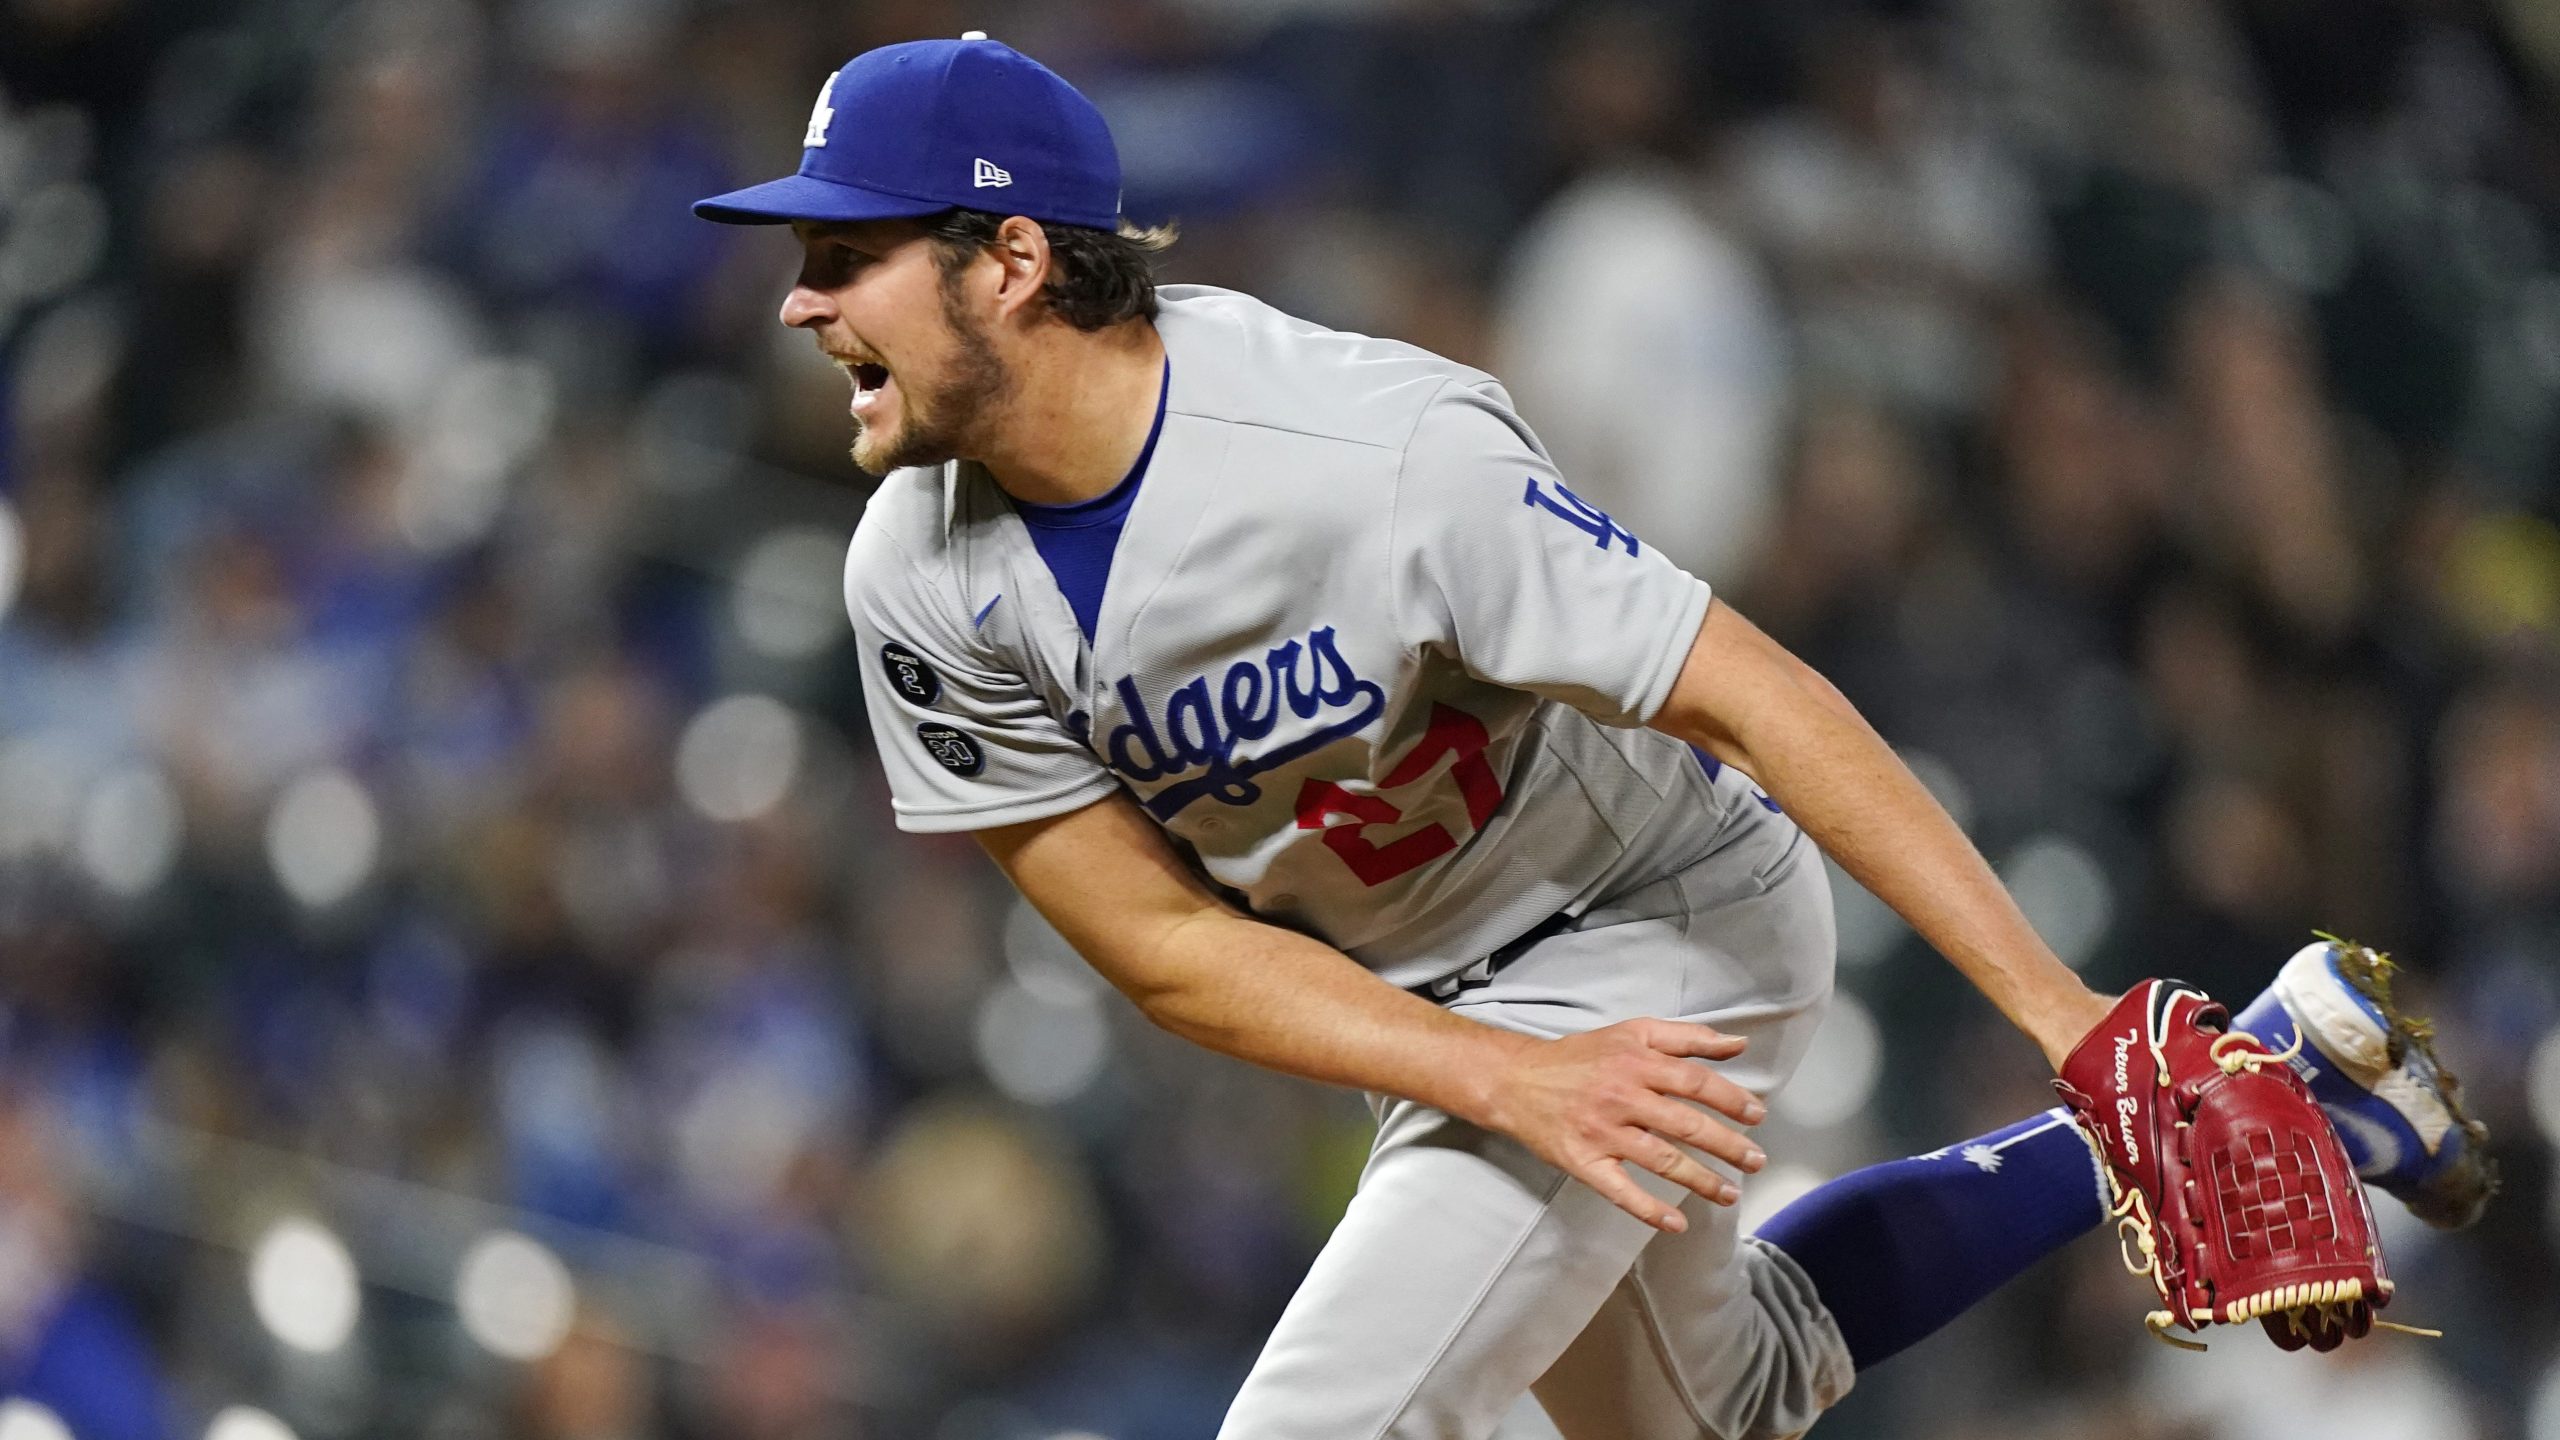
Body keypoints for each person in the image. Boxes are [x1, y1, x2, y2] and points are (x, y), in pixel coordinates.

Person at [693, 35, 2492, 1440]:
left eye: (846, 253)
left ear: (1011, 260)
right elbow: (1161, 944)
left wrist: (2062, 1015)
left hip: (1653, 911)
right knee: (1737, 1401)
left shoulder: (1379, 457)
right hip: (1453, 1000)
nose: (798, 297)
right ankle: (2299, 1069)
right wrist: (1487, 1077)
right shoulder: (914, 577)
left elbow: (1756, 693)